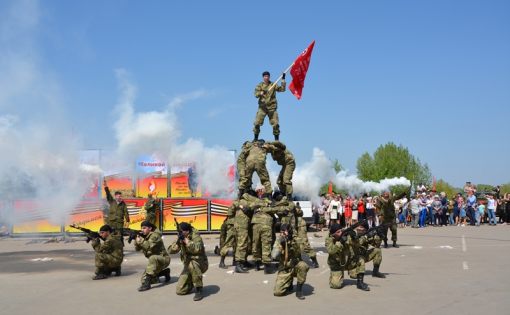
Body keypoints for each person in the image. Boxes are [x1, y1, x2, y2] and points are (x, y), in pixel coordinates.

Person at [168, 222, 208, 301]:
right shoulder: (181, 236)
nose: (179, 233)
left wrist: (187, 241)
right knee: (180, 290)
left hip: (200, 263)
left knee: (192, 264)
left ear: (187, 231)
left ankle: (199, 288)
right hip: (188, 265)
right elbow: (170, 250)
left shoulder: (196, 236)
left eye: (181, 231)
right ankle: (191, 282)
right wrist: (178, 243)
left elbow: (197, 249)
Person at [326, 223, 370, 291]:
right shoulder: (329, 239)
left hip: (348, 261)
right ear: (333, 234)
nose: (340, 233)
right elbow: (331, 251)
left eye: (341, 230)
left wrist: (354, 237)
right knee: (336, 285)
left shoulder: (346, 236)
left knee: (360, 259)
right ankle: (335, 276)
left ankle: (360, 283)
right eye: (338, 232)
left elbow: (358, 244)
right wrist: (340, 242)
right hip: (337, 264)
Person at [271, 224, 309, 299]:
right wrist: (281, 245)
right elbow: (274, 255)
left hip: (295, 265)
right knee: (277, 292)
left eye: (284, 232)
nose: (282, 234)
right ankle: (289, 282)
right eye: (281, 232)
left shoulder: (296, 239)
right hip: (285, 268)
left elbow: (301, 251)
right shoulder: (279, 239)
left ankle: (299, 290)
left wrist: (291, 242)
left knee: (303, 266)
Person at [134, 221, 170, 291]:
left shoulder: (155, 236)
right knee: (143, 280)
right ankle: (164, 272)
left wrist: (140, 240)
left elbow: (147, 246)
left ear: (150, 228)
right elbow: (137, 249)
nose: (142, 230)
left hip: (163, 259)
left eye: (144, 228)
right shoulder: (145, 236)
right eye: (141, 228)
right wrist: (136, 239)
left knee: (152, 258)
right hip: (155, 262)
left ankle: (147, 285)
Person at [253, 71, 286, 141]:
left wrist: (283, 79)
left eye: (267, 76)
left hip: (272, 108)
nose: (266, 77)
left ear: (269, 77)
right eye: (265, 76)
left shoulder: (273, 84)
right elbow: (256, 94)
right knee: (257, 123)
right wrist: (261, 93)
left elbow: (282, 89)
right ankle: (255, 139)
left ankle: (276, 140)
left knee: (276, 124)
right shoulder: (260, 85)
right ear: (263, 77)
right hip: (262, 108)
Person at [295, 202, 319, 268]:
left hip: (300, 225)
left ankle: (314, 260)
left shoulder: (296, 210)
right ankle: (298, 260)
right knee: (294, 244)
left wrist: (294, 208)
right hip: (293, 225)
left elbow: (299, 212)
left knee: (304, 244)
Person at [218, 201, 237, 268]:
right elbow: (230, 213)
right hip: (231, 229)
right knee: (227, 245)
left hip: (234, 228)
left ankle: (235, 261)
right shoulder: (235, 205)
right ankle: (221, 262)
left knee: (236, 246)